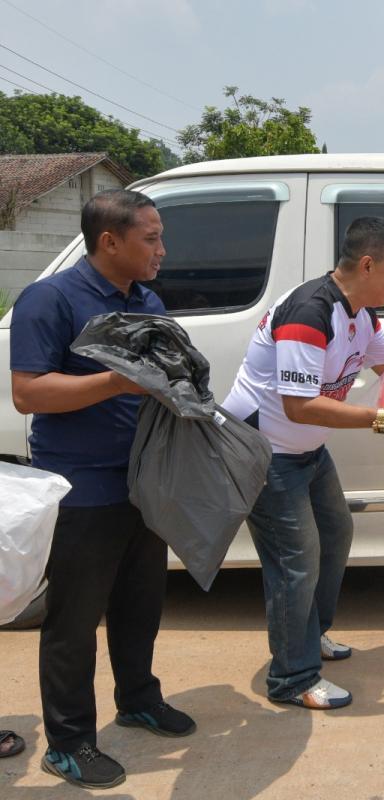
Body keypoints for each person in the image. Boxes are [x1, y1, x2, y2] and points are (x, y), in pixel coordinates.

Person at [10, 189, 195, 790]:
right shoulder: (51, 298)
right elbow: (28, 393)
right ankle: (68, 743)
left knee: (140, 604)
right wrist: (116, 383)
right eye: (151, 239)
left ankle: (138, 699)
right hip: (82, 486)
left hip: (142, 479)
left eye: (162, 238)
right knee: (75, 619)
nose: (162, 251)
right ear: (109, 241)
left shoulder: (146, 301)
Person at [222, 216, 384, 710]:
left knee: (335, 535)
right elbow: (300, 406)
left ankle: (310, 636)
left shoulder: (362, 315)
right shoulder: (308, 313)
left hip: (306, 451)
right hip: (264, 453)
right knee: (296, 561)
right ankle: (291, 678)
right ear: (368, 264)